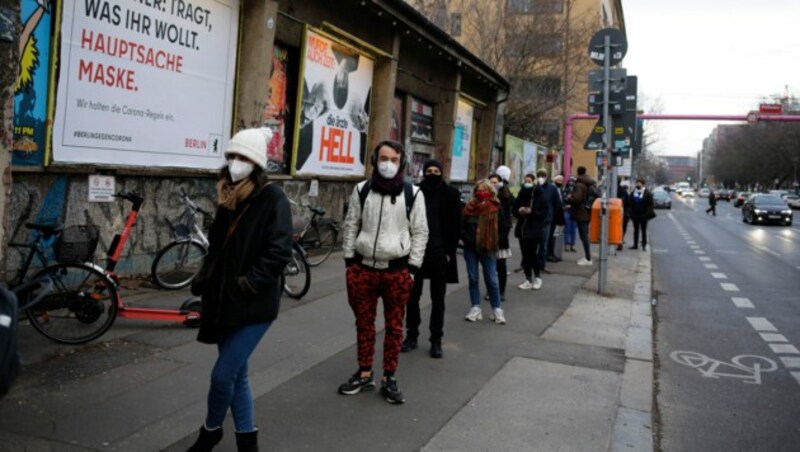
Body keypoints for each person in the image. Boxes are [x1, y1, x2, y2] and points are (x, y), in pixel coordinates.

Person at [189, 128, 293, 452]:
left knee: (223, 376)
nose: (235, 163)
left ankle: (211, 431)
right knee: (238, 376)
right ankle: (247, 441)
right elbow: (216, 247)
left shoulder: (273, 198)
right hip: (222, 301)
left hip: (254, 304)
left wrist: (249, 282)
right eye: (232, 156)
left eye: (243, 158)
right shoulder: (227, 196)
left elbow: (279, 251)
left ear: (257, 164)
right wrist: (204, 275)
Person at [338, 140, 428, 405]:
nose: (388, 163)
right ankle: (365, 373)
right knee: (364, 324)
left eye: (394, 159)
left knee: (394, 327)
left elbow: (420, 231)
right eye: (383, 158)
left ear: (401, 163)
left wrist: (412, 268)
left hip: (397, 271)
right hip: (363, 268)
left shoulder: (413, 193)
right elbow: (351, 224)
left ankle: (390, 377)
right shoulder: (362, 189)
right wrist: (349, 262)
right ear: (375, 160)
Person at [402, 159, 461, 359]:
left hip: (439, 253)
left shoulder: (451, 194)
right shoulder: (414, 191)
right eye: (429, 170)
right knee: (412, 297)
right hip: (416, 252)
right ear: (423, 172)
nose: (433, 174)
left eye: (436, 170)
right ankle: (412, 335)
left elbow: (455, 225)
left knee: (438, 299)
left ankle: (436, 339)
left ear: (442, 172)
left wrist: (449, 252)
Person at [462, 180, 505, 324]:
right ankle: (475, 307)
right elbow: (461, 224)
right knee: (473, 278)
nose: (481, 192)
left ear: (491, 191)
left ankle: (497, 309)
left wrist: (495, 240)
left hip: (488, 248)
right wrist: (466, 238)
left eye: (484, 189)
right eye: (479, 190)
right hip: (470, 248)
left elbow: (504, 227)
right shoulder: (469, 207)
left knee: (492, 279)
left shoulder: (496, 207)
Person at [513, 172, 551, 290]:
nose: (527, 184)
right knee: (525, 255)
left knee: (532, 255)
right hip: (522, 229)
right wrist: (519, 210)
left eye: (529, 181)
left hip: (534, 229)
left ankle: (538, 277)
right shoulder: (522, 193)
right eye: (526, 181)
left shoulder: (540, 194)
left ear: (534, 181)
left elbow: (544, 212)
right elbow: (514, 208)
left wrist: (532, 212)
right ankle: (528, 278)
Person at [488, 166, 514, 301]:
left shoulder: (506, 196)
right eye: (491, 183)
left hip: (501, 236)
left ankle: (501, 290)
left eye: (495, 182)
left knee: (500, 265)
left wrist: (501, 236)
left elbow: (508, 218)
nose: (493, 185)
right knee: (489, 266)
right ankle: (490, 290)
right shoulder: (483, 196)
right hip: (487, 236)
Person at [567, 166, 596, 266]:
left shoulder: (579, 185)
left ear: (578, 173)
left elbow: (576, 199)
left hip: (581, 213)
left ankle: (588, 258)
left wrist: (569, 198)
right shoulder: (590, 183)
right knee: (585, 235)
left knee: (584, 236)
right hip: (587, 212)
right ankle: (587, 257)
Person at [541, 172, 564, 268]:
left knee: (549, 237)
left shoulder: (554, 188)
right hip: (549, 216)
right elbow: (557, 203)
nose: (560, 182)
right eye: (559, 180)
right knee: (547, 238)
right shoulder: (552, 189)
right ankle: (546, 256)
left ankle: (548, 255)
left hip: (550, 216)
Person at [627, 178, 656, 250]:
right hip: (635, 215)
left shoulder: (647, 193)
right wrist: (631, 213)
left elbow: (650, 205)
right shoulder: (634, 193)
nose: (638, 184)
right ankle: (635, 244)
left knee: (643, 231)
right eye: (637, 183)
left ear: (643, 185)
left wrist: (647, 214)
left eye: (639, 183)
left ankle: (644, 245)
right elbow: (630, 203)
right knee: (635, 230)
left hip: (644, 215)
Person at [562, 176, 578, 253]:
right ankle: (568, 244)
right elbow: (563, 200)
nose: (572, 184)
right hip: (568, 210)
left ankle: (571, 244)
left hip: (574, 211)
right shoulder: (565, 191)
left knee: (573, 229)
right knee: (568, 228)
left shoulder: (577, 192)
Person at [617, 180, 631, 251]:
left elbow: (627, 202)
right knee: (621, 229)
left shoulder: (610, 190)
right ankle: (620, 241)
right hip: (623, 213)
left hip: (622, 213)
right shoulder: (624, 191)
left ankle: (619, 242)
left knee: (620, 228)